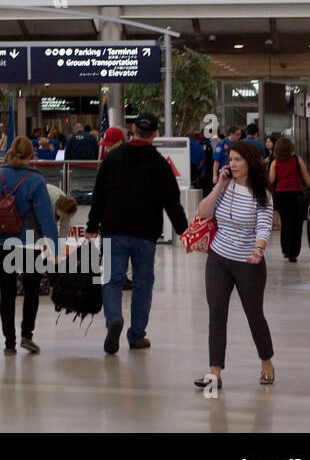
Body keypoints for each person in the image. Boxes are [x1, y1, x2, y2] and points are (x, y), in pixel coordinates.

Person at [87, 112, 188, 355]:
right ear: (155, 134)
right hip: (146, 234)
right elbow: (172, 203)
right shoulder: (160, 165)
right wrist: (184, 232)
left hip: (113, 231)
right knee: (143, 284)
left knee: (112, 281)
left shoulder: (113, 159)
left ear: (132, 129)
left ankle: (113, 318)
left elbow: (98, 194)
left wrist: (92, 226)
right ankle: (137, 335)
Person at [194, 141, 276, 390]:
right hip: (219, 258)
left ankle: (267, 362)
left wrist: (259, 249)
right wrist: (219, 185)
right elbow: (203, 212)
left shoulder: (262, 194)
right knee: (217, 314)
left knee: (254, 315)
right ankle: (214, 372)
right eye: (231, 159)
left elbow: (264, 225)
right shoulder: (224, 187)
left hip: (248, 262)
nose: (232, 164)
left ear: (250, 163)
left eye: (238, 159)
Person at [0, 137, 58, 354]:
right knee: (31, 291)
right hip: (28, 245)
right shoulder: (36, 181)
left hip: (0, 243)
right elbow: (46, 217)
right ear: (31, 155)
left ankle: (9, 343)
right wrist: (52, 245)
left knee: (7, 293)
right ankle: (27, 335)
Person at [269, 137, 310, 262]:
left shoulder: (275, 162)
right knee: (297, 224)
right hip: (296, 195)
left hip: (281, 195)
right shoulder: (297, 160)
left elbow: (271, 180)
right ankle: (294, 252)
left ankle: (286, 250)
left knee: (285, 223)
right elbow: (305, 176)